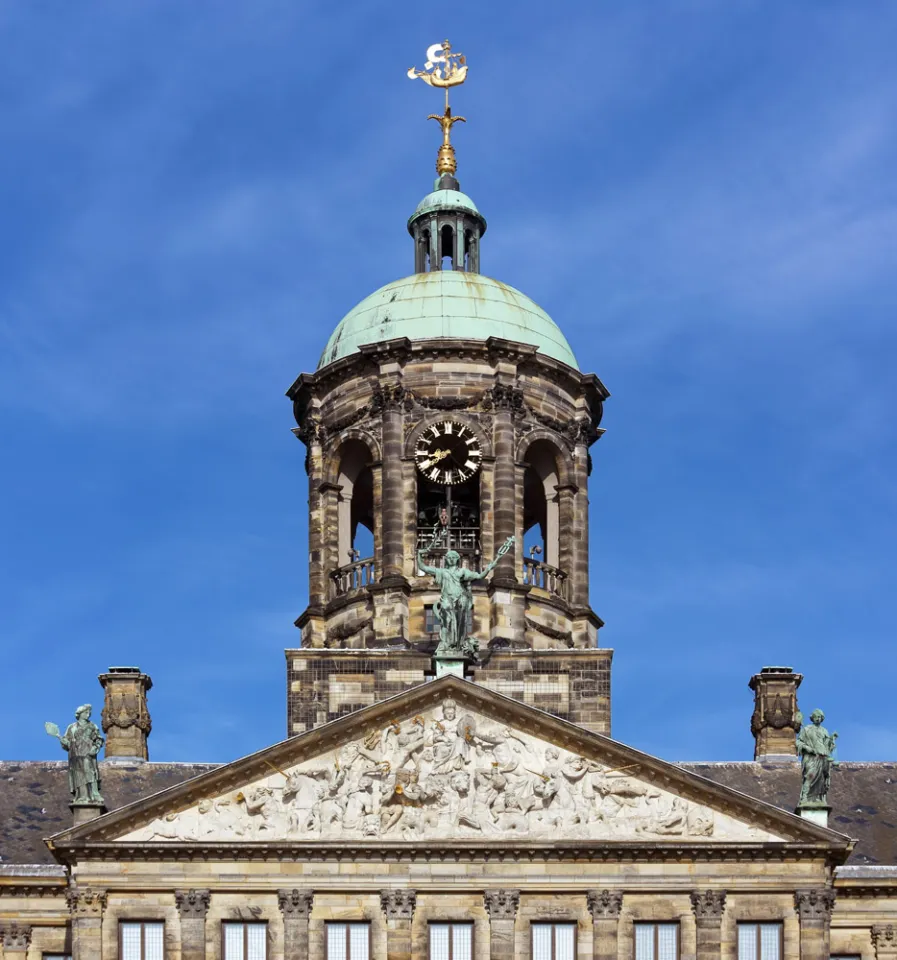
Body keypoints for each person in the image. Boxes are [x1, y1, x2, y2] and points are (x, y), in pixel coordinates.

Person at [417, 537, 514, 658]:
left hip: (459, 599)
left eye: (454, 558)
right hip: (446, 599)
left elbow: (479, 576)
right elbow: (423, 567)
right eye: (449, 557)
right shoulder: (441, 572)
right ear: (446, 560)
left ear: (457, 560)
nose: (452, 559)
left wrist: (489, 568)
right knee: (447, 621)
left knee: (459, 624)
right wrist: (419, 554)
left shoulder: (462, 572)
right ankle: (447, 644)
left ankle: (456, 644)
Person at [58, 704, 104, 804]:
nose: (88, 715)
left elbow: (99, 739)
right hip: (75, 754)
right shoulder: (72, 727)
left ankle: (93, 794)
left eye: (89, 713)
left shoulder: (92, 726)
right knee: (78, 774)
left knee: (89, 772)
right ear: (80, 714)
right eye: (86, 713)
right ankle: (82, 796)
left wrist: (95, 748)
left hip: (87, 752)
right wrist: (63, 740)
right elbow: (67, 742)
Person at [796, 709, 838, 806]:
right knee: (810, 775)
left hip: (823, 756)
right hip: (812, 758)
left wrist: (832, 739)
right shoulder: (807, 729)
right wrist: (807, 748)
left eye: (820, 717)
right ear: (812, 718)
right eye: (816, 717)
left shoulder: (824, 731)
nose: (818, 719)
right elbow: (798, 742)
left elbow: (827, 746)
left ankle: (820, 798)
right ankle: (804, 797)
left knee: (822, 779)